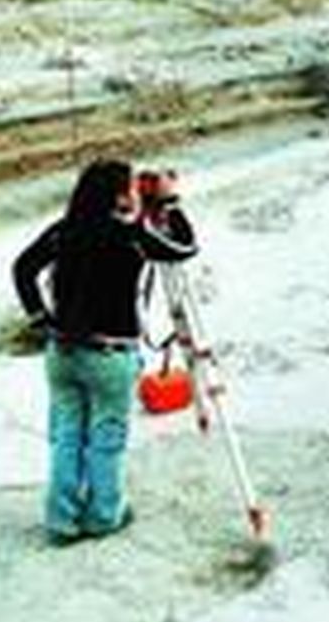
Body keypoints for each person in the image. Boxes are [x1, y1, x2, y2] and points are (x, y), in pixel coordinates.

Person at [12, 159, 198, 544]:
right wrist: (170, 202)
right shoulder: (129, 236)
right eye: (132, 186)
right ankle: (104, 516)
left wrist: (40, 319)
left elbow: (22, 269)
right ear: (118, 195)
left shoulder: (64, 231)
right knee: (105, 442)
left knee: (66, 438)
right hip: (109, 357)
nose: (136, 192)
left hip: (61, 353)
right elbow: (184, 247)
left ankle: (61, 520)